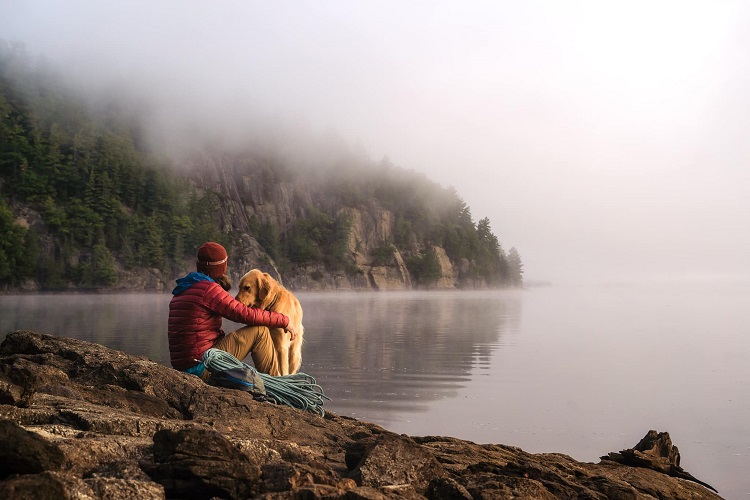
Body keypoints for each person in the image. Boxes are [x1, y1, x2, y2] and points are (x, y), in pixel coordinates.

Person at [168, 241, 297, 378]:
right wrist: (284, 320)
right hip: (202, 365)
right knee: (260, 331)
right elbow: (244, 313)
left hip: (185, 366)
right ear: (221, 267)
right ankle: (277, 383)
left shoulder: (185, 288)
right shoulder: (208, 290)